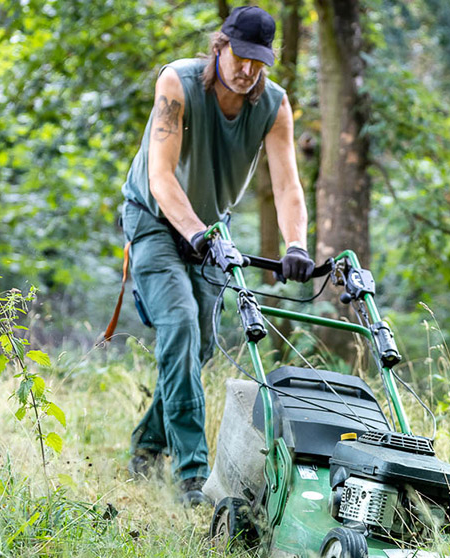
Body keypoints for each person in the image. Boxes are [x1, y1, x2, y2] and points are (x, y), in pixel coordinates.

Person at [119, 6, 314, 506]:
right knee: (180, 326)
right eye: (241, 56)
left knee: (200, 345)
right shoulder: (177, 84)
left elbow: (288, 185)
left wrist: (296, 244)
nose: (248, 69)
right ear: (220, 46)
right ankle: (191, 477)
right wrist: (194, 232)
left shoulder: (273, 105)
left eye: (259, 61)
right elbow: (161, 178)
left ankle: (145, 446)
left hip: (209, 230)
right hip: (155, 220)